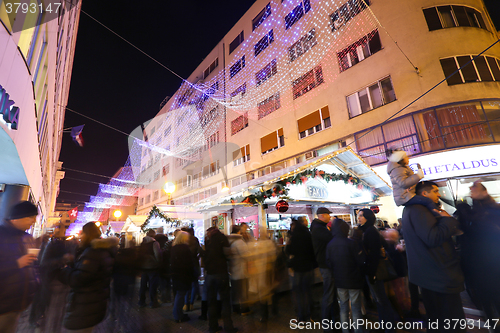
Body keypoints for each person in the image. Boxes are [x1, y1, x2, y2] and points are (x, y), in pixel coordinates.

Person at [402, 181, 465, 333]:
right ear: (424, 194)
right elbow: (432, 237)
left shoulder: (414, 209)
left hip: (432, 276)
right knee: (450, 323)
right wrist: (447, 219)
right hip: (438, 276)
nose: (439, 194)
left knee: (439, 321)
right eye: (435, 191)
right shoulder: (418, 209)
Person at [455, 180, 500, 332]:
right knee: (484, 302)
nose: (471, 189)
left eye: (475, 187)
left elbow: (481, 226)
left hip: (492, 265)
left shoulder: (492, 210)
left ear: (484, 192)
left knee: (495, 298)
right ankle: (493, 327)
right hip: (477, 267)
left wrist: (462, 210)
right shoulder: (472, 211)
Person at [60, 222, 118, 332]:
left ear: (88, 234)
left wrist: (64, 271)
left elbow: (81, 278)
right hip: (95, 301)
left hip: (86, 304)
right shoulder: (103, 251)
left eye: (82, 233)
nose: (80, 236)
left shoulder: (93, 252)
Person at [0, 201, 39, 333]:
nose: (33, 221)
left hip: (19, 304)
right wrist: (17, 264)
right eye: (31, 217)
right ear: (18, 217)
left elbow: (32, 267)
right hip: (3, 305)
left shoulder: (28, 237)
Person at [357, 208, 399, 332]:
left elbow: (374, 254)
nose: (358, 218)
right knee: (379, 299)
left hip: (374, 270)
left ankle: (389, 328)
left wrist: (372, 272)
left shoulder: (370, 231)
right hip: (371, 269)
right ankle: (384, 326)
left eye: (360, 216)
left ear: (368, 218)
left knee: (381, 300)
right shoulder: (367, 230)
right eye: (358, 215)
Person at [326, 219, 364, 333]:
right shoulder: (351, 243)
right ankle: (358, 330)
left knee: (343, 307)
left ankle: (345, 330)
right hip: (353, 279)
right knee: (356, 308)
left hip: (339, 280)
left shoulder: (330, 244)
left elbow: (328, 263)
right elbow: (359, 261)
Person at [310, 207, 340, 330]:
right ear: (321, 216)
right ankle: (326, 324)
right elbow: (332, 238)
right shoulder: (319, 229)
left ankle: (333, 320)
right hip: (325, 264)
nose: (329, 217)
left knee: (331, 293)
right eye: (328, 215)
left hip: (326, 263)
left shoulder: (319, 227)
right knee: (328, 293)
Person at [386, 149, 440, 216]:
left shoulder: (401, 168)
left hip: (407, 195)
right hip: (404, 196)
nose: (408, 158)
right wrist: (418, 176)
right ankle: (437, 216)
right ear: (401, 159)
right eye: (406, 157)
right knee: (428, 201)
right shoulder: (397, 169)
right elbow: (403, 183)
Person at [204, 227, 237, 333]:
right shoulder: (222, 238)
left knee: (211, 302)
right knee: (225, 301)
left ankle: (213, 326)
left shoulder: (207, 241)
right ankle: (228, 327)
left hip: (210, 274)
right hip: (221, 273)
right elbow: (228, 253)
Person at [286, 217, 316, 323]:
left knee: (298, 293)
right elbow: (313, 250)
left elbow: (288, 250)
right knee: (307, 291)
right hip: (308, 267)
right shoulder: (308, 234)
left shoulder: (293, 236)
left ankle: (300, 317)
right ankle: (309, 315)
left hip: (297, 268)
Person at [171, 231, 195, 323]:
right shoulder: (185, 248)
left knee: (179, 294)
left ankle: (178, 313)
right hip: (183, 275)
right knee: (181, 295)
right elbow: (189, 263)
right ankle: (178, 315)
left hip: (176, 274)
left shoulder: (174, 248)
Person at [227, 225, 250, 316]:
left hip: (232, 270)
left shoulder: (228, 241)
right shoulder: (239, 242)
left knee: (234, 291)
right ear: (239, 232)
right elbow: (246, 255)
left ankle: (235, 308)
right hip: (241, 270)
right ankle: (244, 309)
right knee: (243, 291)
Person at [138, 229, 162, 308]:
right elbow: (157, 254)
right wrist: (158, 262)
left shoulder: (142, 243)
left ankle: (141, 301)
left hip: (143, 266)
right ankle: (153, 302)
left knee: (143, 285)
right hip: (152, 266)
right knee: (153, 285)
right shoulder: (154, 243)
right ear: (153, 235)